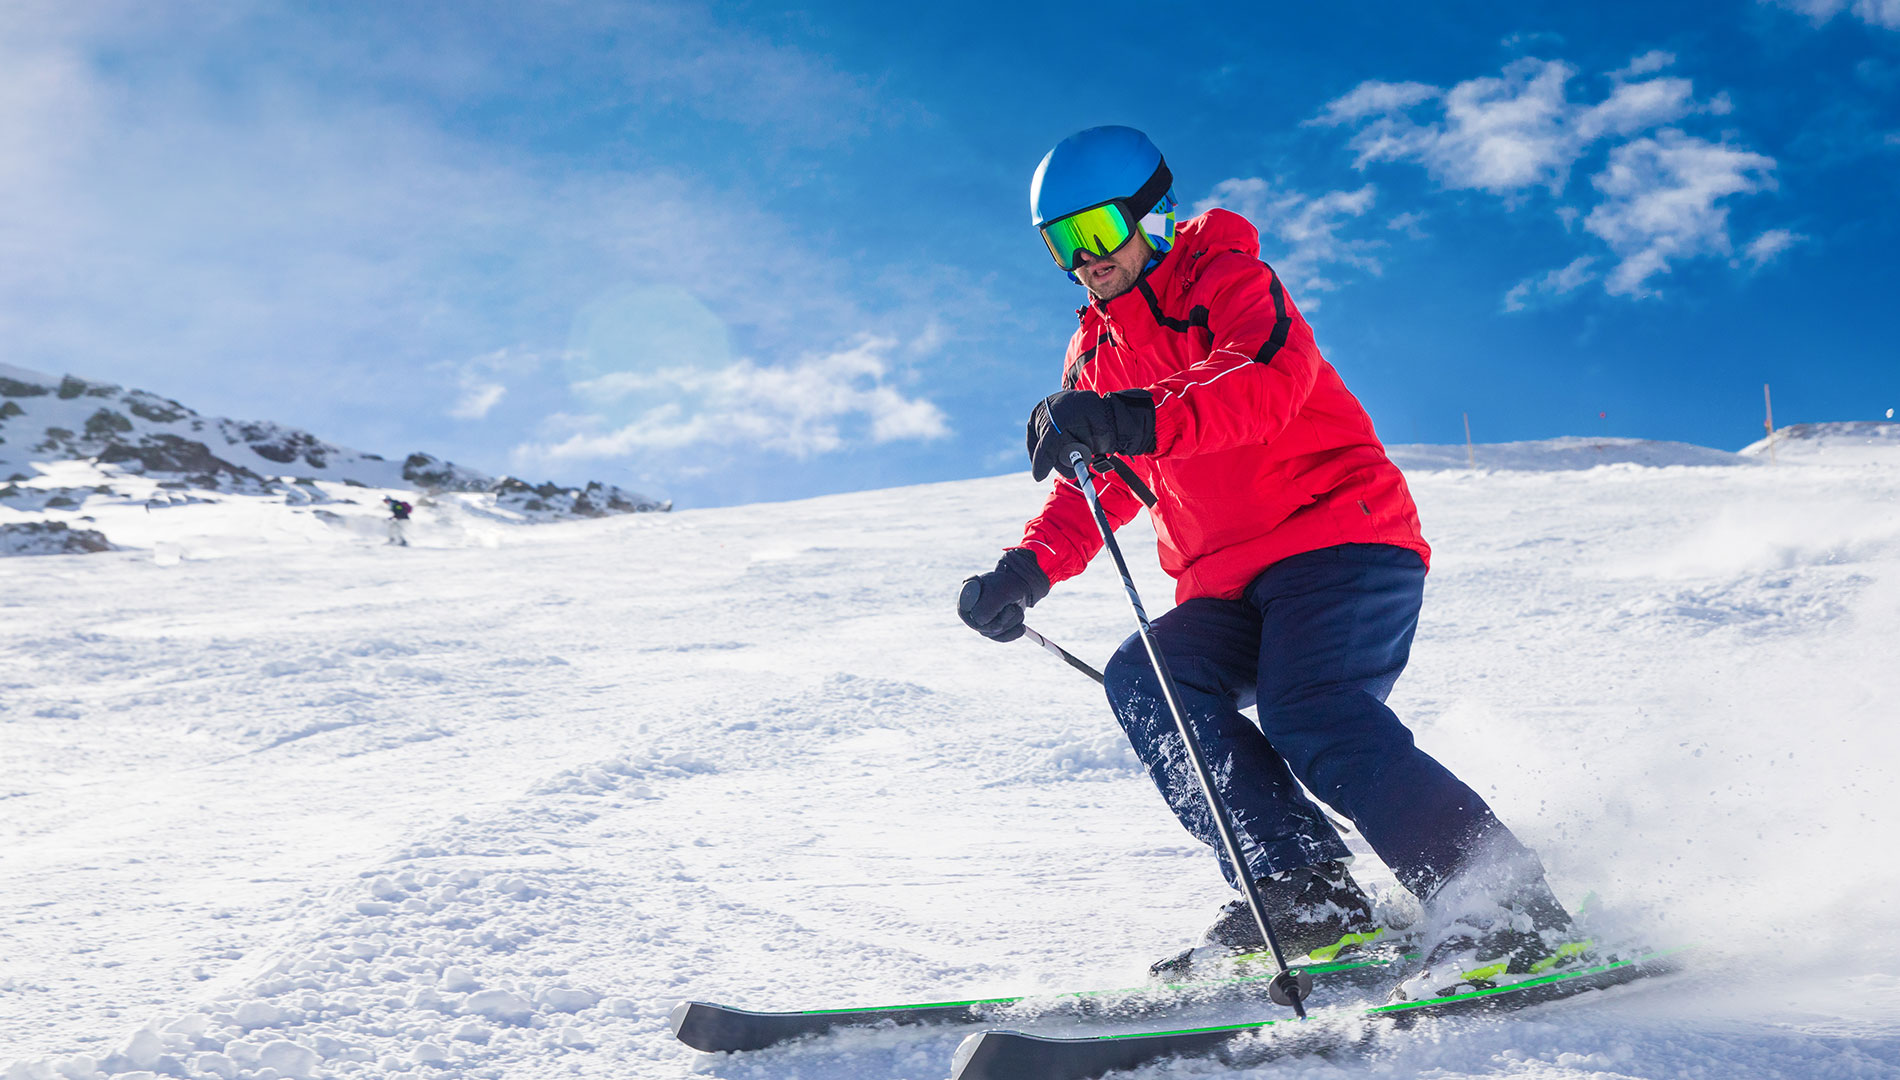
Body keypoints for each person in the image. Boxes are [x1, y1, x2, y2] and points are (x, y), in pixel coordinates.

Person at [957, 126, 1582, 1001]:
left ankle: (1510, 908)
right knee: (1147, 678)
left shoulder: (1227, 280)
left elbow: (1259, 381)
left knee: (1308, 707)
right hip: (1228, 582)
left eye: (1097, 231)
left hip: (1343, 541)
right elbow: (1109, 483)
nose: (1083, 260)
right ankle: (1306, 893)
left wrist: (1126, 418)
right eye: (1060, 243)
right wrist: (1027, 568)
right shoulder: (1094, 353)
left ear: (1153, 215)